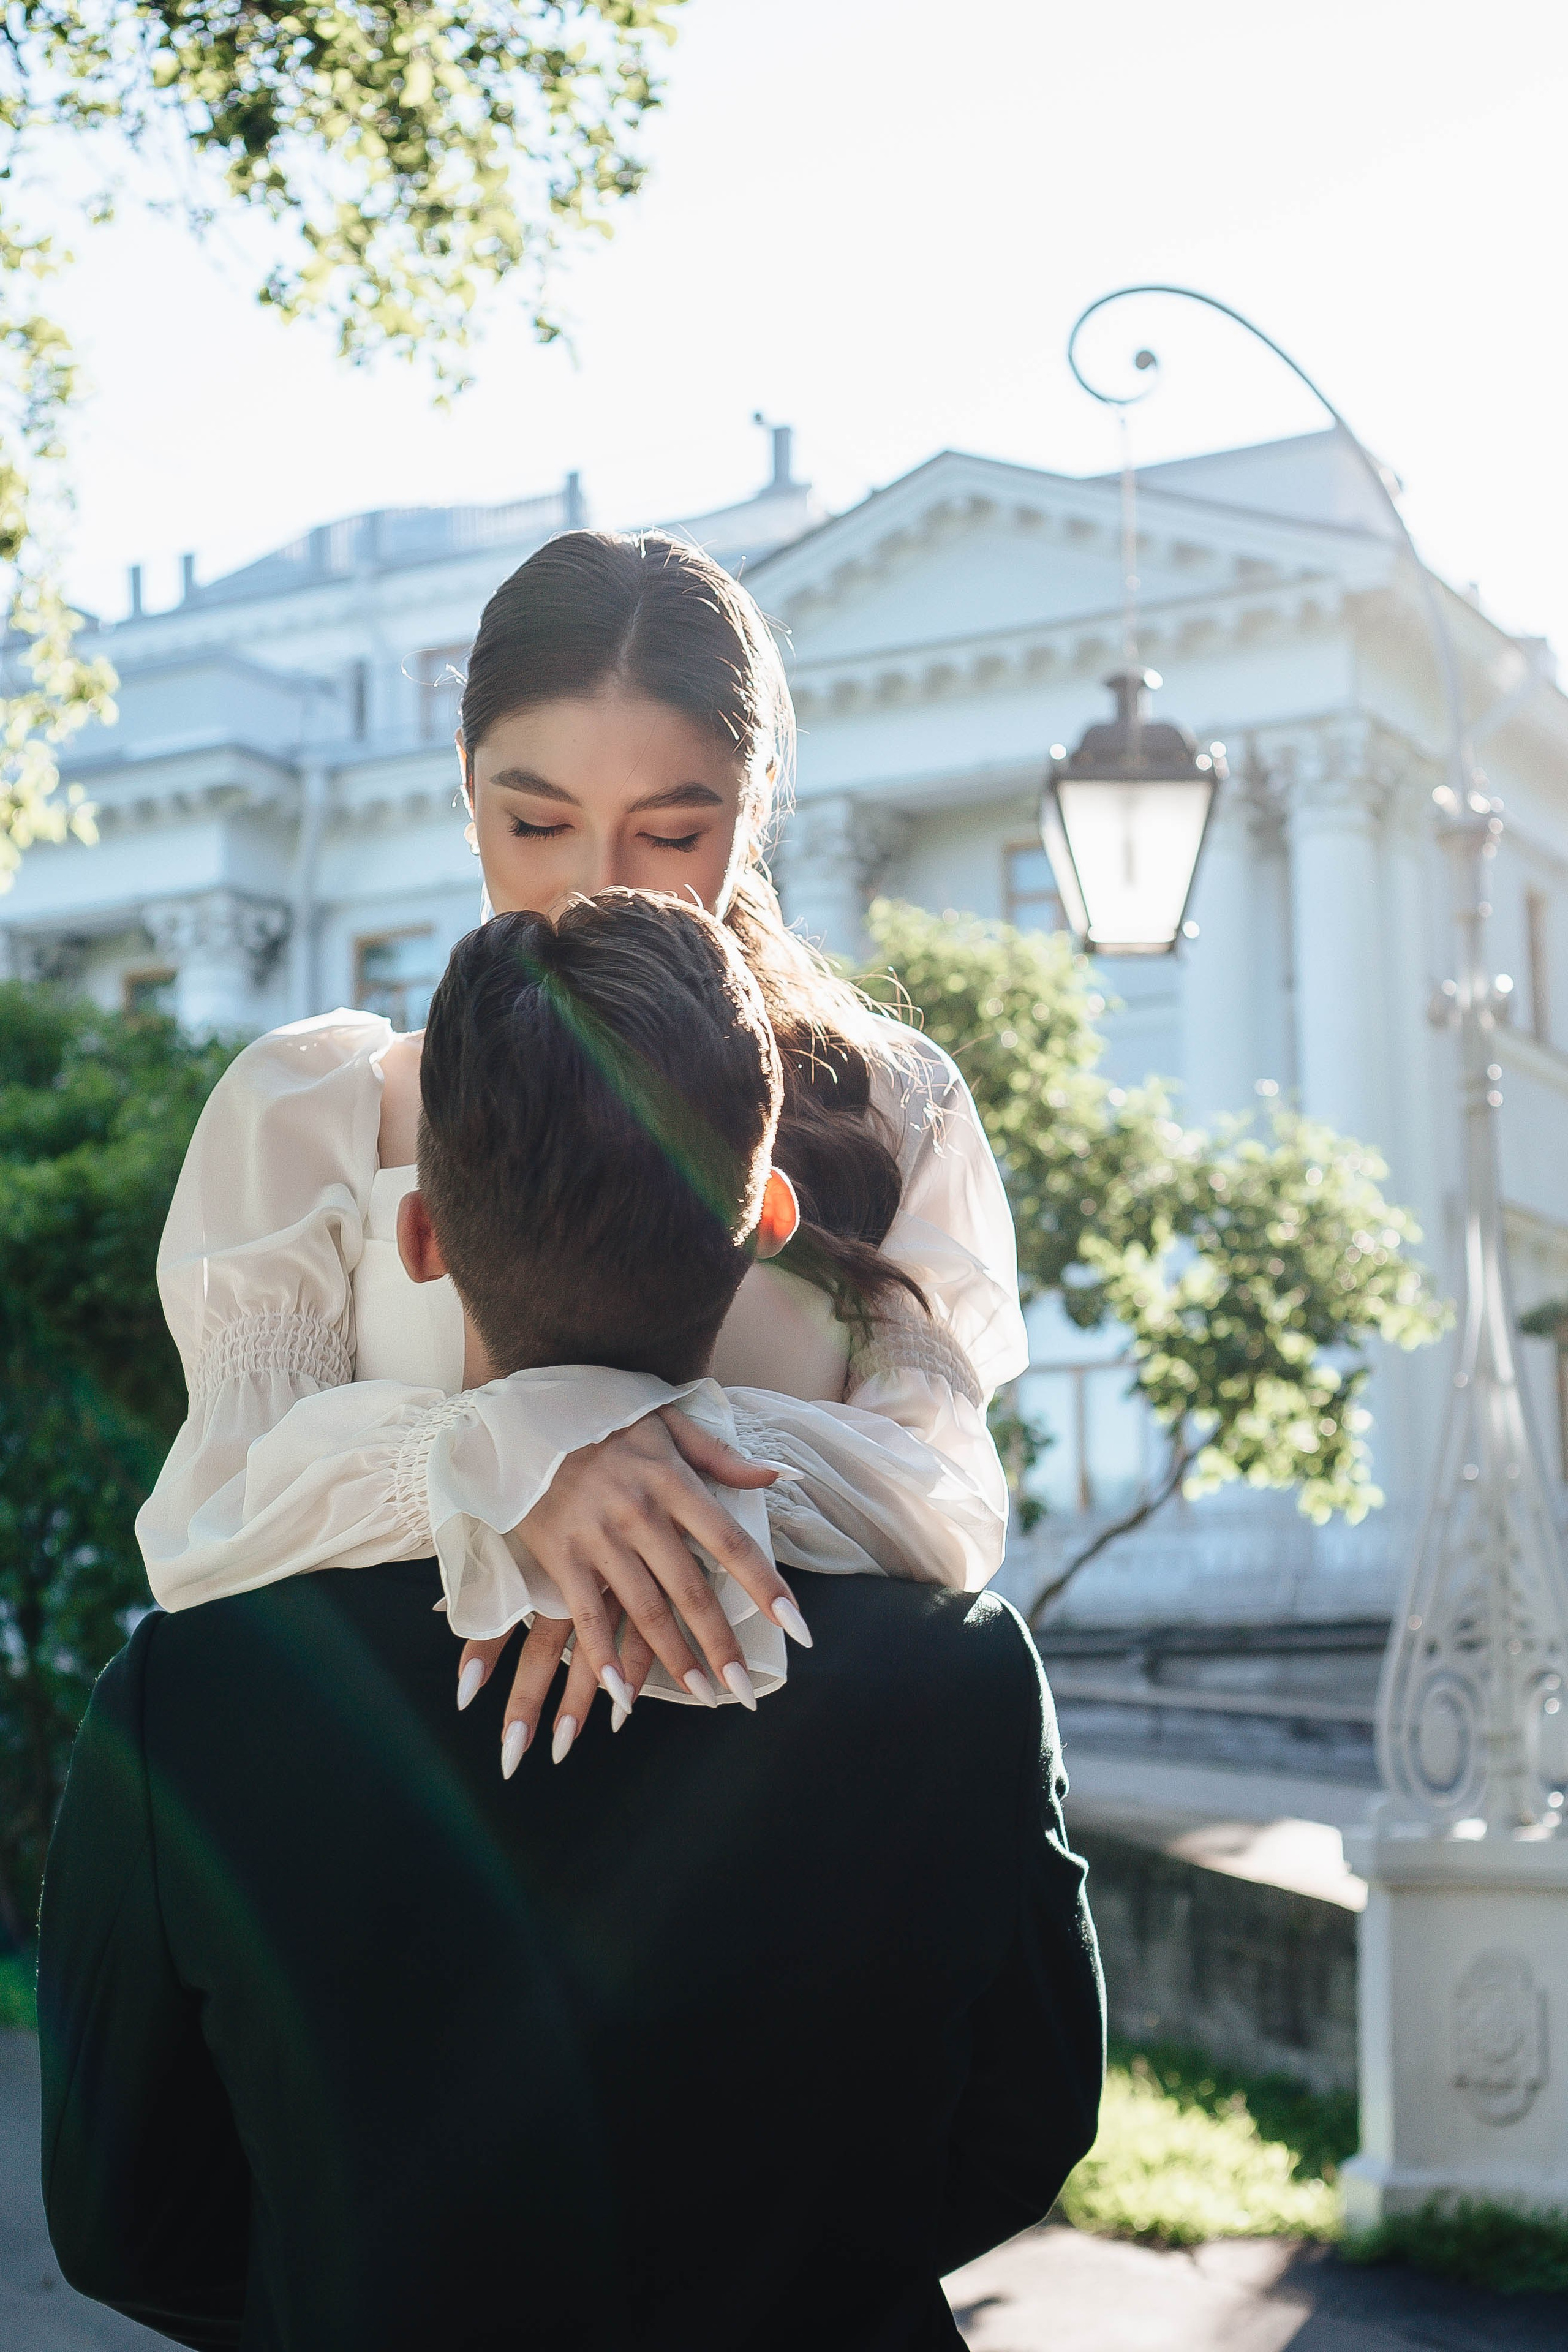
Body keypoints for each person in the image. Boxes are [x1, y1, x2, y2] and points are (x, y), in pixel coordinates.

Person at [134, 529, 1030, 1767]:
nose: (594, 892)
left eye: (669, 835)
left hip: (783, 1827)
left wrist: (616, 1460)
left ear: (752, 807)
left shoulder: (890, 1104)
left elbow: (940, 1509)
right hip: (398, 1827)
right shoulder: (315, 1108)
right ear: (465, 785)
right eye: (538, 822)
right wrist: (516, 1461)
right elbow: (216, 1518)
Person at [39, 1539, 1104, 2352]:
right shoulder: (964, 1668)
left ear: (417, 1240)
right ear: (762, 1236)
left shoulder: (191, 1686)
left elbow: (124, 2226)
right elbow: (1030, 2124)